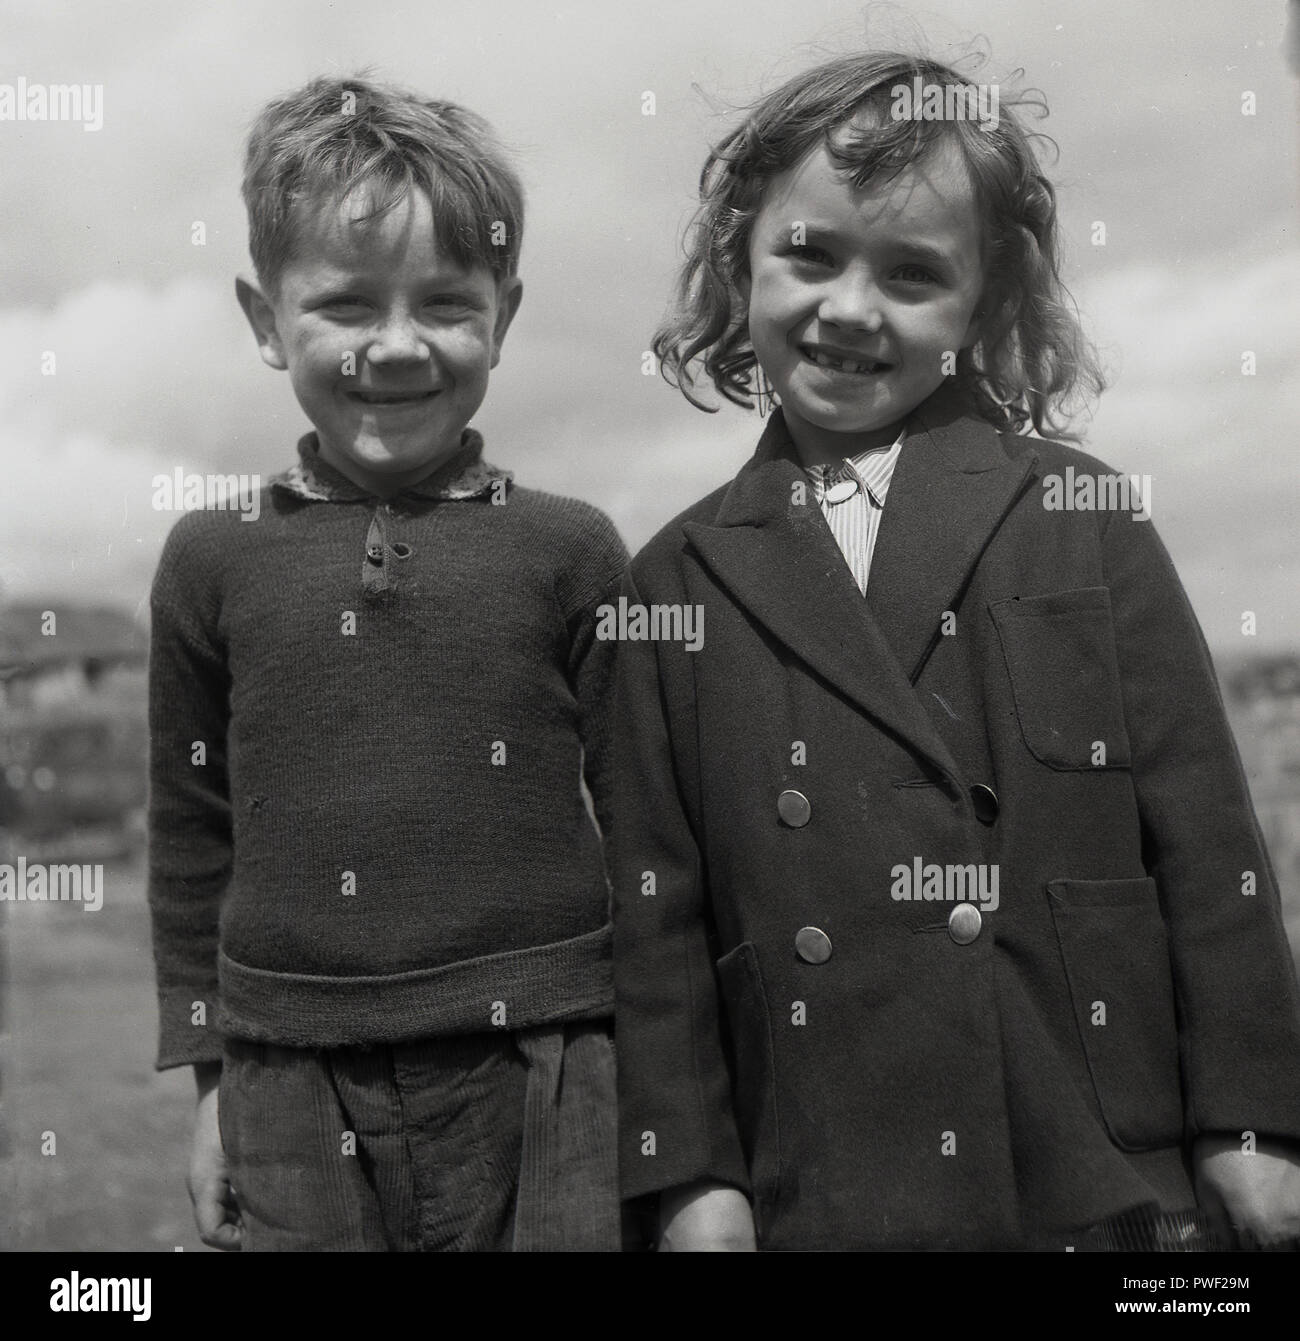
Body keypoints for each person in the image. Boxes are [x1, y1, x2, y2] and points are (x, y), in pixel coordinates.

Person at [613, 50, 1300, 1250]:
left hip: (1090, 1159)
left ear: (983, 305)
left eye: (913, 274)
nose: (849, 310)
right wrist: (687, 1179)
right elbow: (655, 918)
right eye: (810, 255)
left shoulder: (1084, 515)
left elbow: (1209, 850)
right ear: (741, 256)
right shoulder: (673, 581)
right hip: (816, 1177)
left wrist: (1253, 1121)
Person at [148, 75, 626, 1251]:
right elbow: (191, 831)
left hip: (553, 1064)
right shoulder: (211, 557)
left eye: (447, 304)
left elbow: (659, 838)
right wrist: (212, 1082)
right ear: (266, 320)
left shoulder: (572, 549)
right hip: (288, 1073)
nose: (398, 345)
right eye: (348, 303)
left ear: (504, 315)